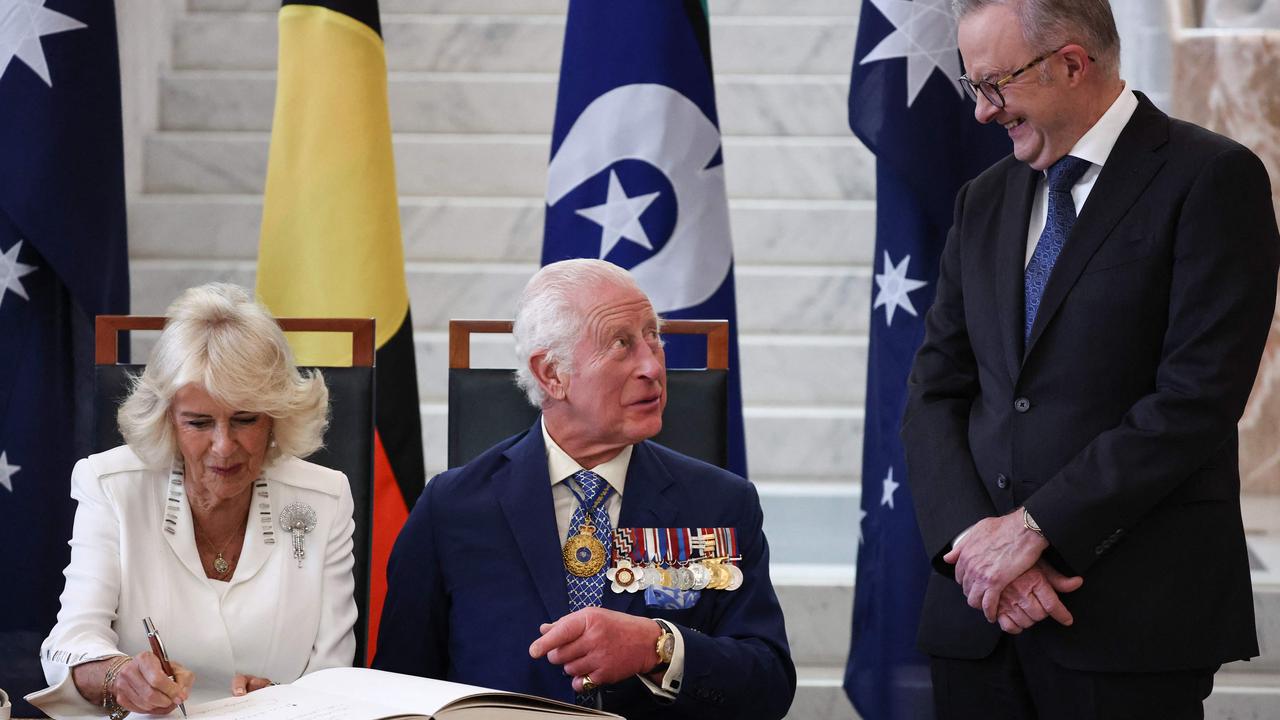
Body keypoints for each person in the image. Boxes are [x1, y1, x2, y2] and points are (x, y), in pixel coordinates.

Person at [902, 0, 1280, 717]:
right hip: (981, 619)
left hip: (1128, 619)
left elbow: (1196, 399)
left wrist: (1036, 529)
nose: (983, 112)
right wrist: (979, 549)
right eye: (972, 86)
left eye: (994, 85)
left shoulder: (1210, 179)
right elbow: (934, 393)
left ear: (1071, 63)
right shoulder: (981, 200)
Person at [373, 259, 795, 719]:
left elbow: (769, 685)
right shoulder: (452, 508)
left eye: (654, 336)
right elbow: (398, 689)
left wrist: (660, 648)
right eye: (622, 344)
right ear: (552, 374)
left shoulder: (719, 503)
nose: (652, 366)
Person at [28, 283, 357, 718]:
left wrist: (282, 695)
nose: (223, 446)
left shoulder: (325, 499)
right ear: (168, 421)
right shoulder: (110, 485)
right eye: (199, 423)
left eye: (245, 419)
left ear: (276, 418)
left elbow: (335, 676)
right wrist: (118, 676)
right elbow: (67, 647)